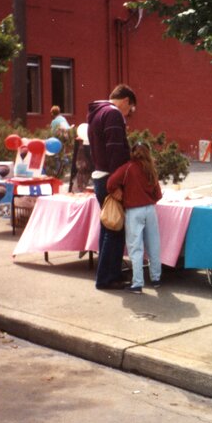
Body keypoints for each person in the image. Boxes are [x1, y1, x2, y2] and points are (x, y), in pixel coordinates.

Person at [88, 84, 136, 290]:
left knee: (109, 227)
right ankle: (108, 279)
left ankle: (108, 275)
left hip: (101, 176)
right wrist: (117, 184)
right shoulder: (113, 114)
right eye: (131, 109)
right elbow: (115, 151)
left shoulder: (97, 113)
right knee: (115, 229)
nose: (129, 114)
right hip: (110, 178)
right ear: (125, 100)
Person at [107, 142, 163, 294]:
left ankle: (137, 283)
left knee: (135, 248)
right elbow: (158, 194)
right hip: (150, 209)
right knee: (154, 245)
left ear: (133, 152)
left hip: (133, 210)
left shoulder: (128, 168)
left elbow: (110, 183)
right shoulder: (151, 169)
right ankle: (156, 278)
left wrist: (119, 193)